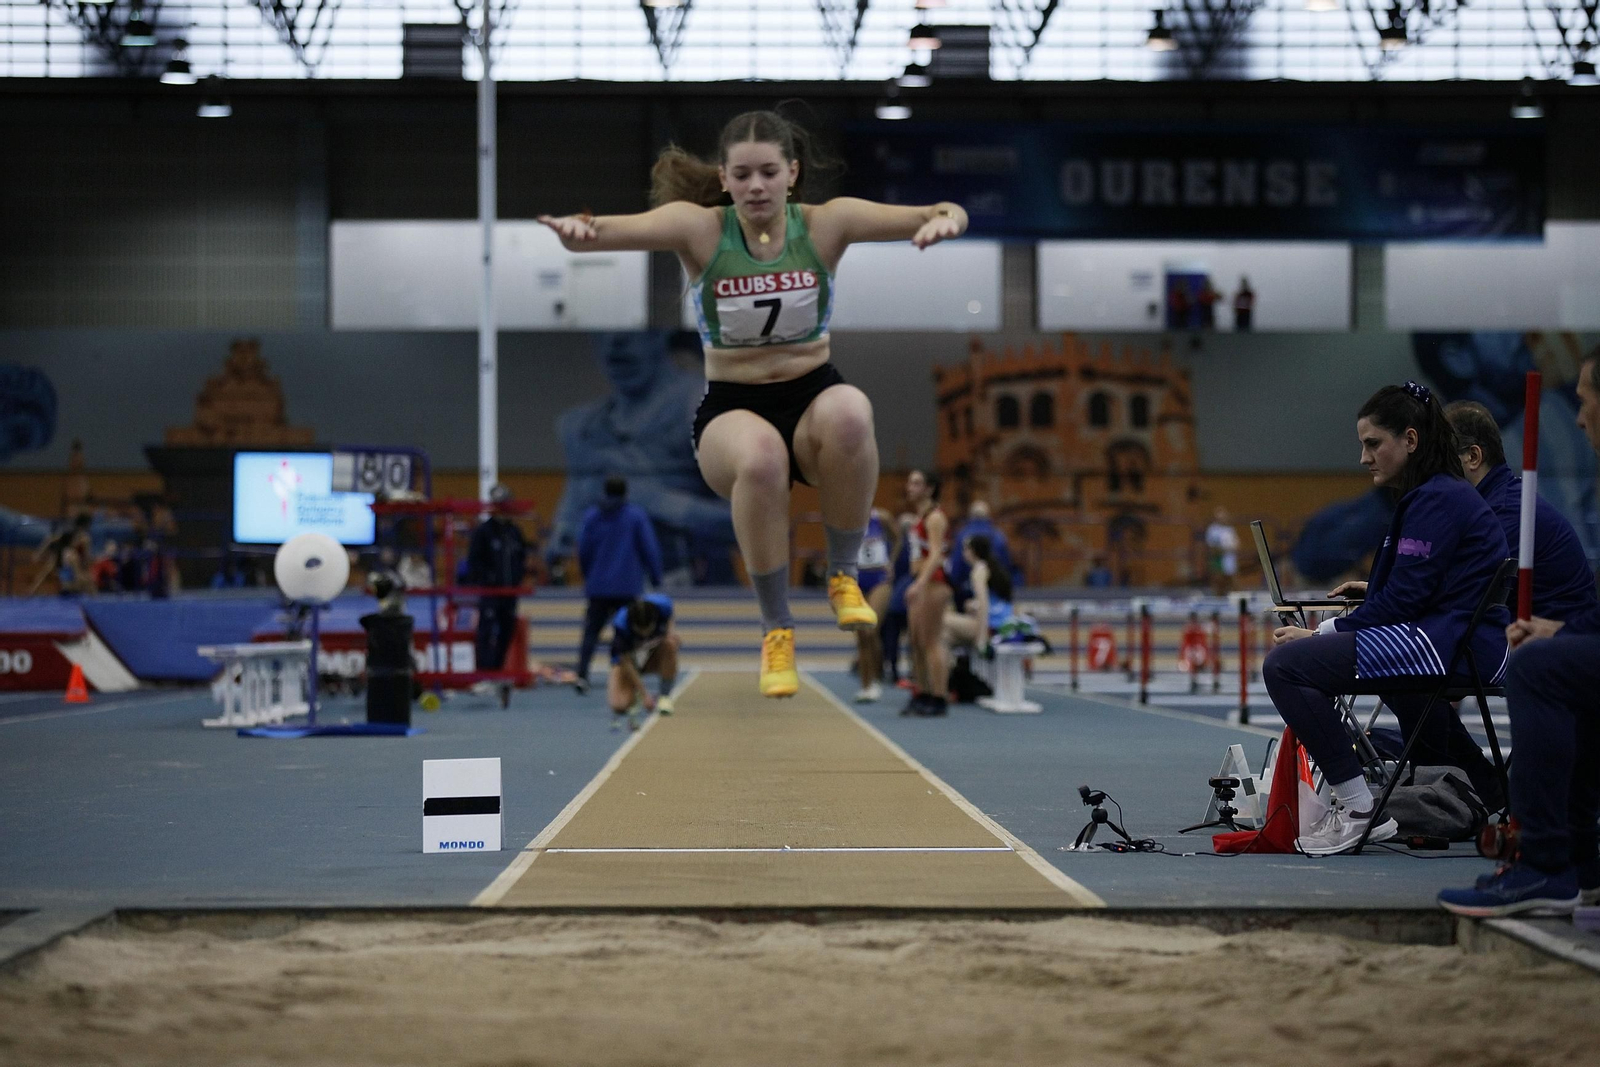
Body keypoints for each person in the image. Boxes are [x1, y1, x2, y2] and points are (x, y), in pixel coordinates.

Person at [539, 109, 968, 699]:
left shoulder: (825, 224)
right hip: (731, 409)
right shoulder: (701, 230)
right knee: (762, 456)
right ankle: (776, 628)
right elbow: (611, 231)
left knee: (851, 411)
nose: (756, 186)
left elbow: (936, 211)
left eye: (769, 172)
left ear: (793, 173)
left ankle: (842, 574)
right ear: (724, 178)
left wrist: (946, 219)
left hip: (811, 393)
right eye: (742, 175)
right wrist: (580, 232)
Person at [1264, 381, 1510, 856]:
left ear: (1411, 441)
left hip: (1454, 643)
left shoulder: (1437, 498)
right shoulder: (1431, 496)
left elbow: (1402, 604)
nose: (1364, 457)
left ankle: (1358, 808)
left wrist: (1319, 632)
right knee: (1321, 664)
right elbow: (1407, 591)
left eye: (1373, 443)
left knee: (1286, 666)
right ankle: (1484, 785)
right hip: (1450, 636)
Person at [1438, 354, 1600, 915]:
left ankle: (1545, 861)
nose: (1579, 419)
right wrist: (1570, 626)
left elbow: (1454, 594)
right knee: (1539, 653)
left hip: (1546, 637)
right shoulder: (1487, 507)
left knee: (1536, 665)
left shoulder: (1506, 510)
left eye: (1584, 402)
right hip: (1571, 628)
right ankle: (1578, 858)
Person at [1445, 400, 1597, 622]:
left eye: (1440, 461)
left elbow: (1452, 598)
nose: (1433, 475)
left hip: (1564, 644)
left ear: (1473, 457)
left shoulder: (1505, 515)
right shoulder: (1496, 504)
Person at [575, 476, 664, 694]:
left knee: (591, 632)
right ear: (625, 493)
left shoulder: (592, 516)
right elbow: (649, 548)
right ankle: (625, 676)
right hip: (627, 585)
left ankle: (582, 674)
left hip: (598, 586)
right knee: (627, 633)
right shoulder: (635, 516)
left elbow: (583, 549)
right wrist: (655, 576)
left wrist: (589, 575)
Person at [902, 469, 952, 717]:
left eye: (917, 483)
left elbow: (936, 555)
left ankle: (939, 696)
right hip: (921, 582)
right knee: (917, 642)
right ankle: (922, 691)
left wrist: (919, 583)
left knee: (932, 641)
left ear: (930, 488)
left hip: (933, 584)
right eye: (910, 482)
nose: (910, 487)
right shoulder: (917, 518)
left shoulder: (935, 518)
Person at [466, 484, 528, 679]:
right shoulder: (483, 532)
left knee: (506, 630)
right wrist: (488, 579)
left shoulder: (514, 532)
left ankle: (497, 670)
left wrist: (517, 578)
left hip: (510, 592)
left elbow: (521, 557)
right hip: (491, 592)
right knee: (486, 630)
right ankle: (484, 672)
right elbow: (474, 560)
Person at [607, 593, 679, 732]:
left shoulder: (662, 605)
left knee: (670, 644)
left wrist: (671, 633)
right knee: (619, 706)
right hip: (628, 665)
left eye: (648, 631)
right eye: (640, 632)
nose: (645, 635)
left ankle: (664, 697)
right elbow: (626, 663)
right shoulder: (621, 624)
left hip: (652, 657)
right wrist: (644, 694)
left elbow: (670, 616)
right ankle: (639, 694)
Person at [942, 535, 1013, 658]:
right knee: (944, 636)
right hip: (996, 622)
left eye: (965, 549)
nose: (963, 553)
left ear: (973, 551)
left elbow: (983, 603)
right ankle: (953, 673)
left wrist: (981, 639)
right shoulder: (988, 567)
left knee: (940, 619)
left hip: (991, 626)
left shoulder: (979, 571)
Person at [852, 506, 896, 703]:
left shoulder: (881, 517)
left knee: (871, 630)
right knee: (861, 634)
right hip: (856, 580)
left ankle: (876, 679)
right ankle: (865, 684)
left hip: (879, 579)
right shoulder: (845, 518)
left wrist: (891, 561)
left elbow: (899, 538)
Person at [946, 500, 1018, 608]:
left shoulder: (962, 535)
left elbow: (956, 569)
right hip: (995, 592)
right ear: (988, 515)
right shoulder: (998, 536)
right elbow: (1006, 567)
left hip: (968, 592)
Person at [1204, 507, 1240, 596]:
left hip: (1230, 559)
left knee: (1233, 581)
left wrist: (1231, 548)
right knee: (1219, 582)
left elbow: (1237, 544)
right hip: (1218, 559)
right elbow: (1212, 546)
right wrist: (1225, 549)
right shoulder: (1213, 530)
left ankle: (1235, 601)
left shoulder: (1230, 529)